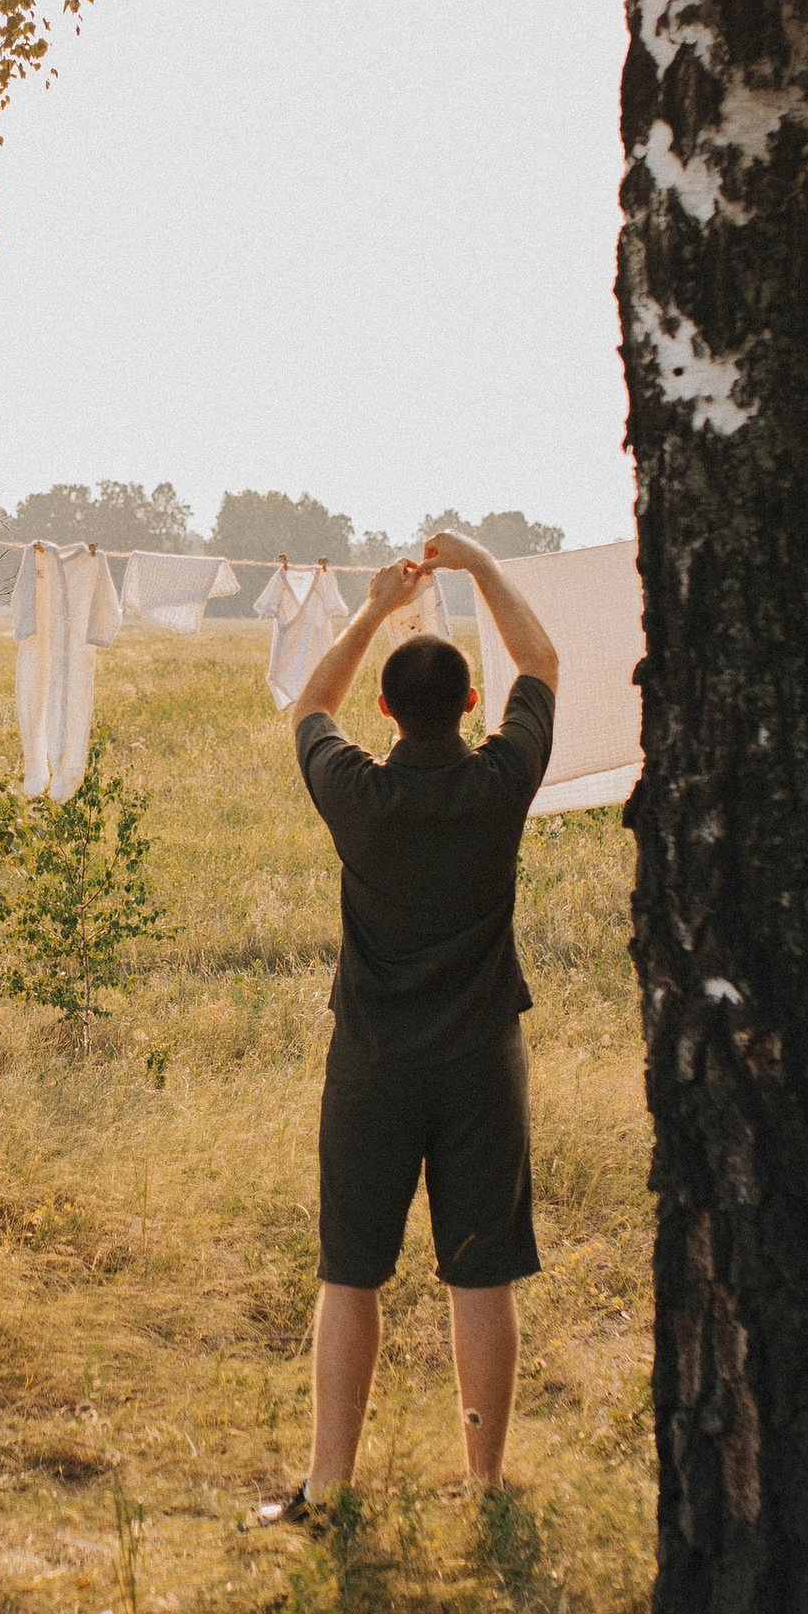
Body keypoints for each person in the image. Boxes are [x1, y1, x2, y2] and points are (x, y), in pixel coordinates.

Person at [258, 530, 561, 1523]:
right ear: (469, 706)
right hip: (482, 1063)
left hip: (372, 1067)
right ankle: (482, 1487)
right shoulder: (498, 783)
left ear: (385, 710)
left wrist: (379, 607)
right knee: (480, 1279)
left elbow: (308, 705)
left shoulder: (358, 794)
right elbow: (543, 663)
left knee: (350, 1275)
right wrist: (477, 569)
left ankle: (327, 1485)